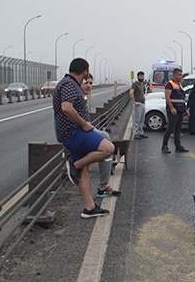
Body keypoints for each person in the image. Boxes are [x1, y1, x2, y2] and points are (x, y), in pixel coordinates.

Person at [53, 58, 115, 218]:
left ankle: (89, 208)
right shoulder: (70, 84)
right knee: (108, 148)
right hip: (75, 132)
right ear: (85, 71)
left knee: (84, 171)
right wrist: (84, 124)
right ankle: (75, 164)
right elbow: (66, 108)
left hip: (71, 132)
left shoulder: (67, 83)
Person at [81, 74, 122, 198]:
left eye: (91, 83)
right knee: (107, 146)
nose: (89, 86)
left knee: (105, 140)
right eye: (86, 83)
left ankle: (103, 186)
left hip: (85, 131)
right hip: (79, 134)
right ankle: (79, 164)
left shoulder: (82, 97)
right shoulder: (76, 97)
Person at [162, 68, 188, 154]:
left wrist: (185, 110)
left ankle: (178, 146)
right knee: (170, 128)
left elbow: (182, 99)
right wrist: (172, 108)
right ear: (174, 75)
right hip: (173, 111)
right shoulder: (170, 84)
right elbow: (167, 97)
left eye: (181, 75)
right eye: (179, 75)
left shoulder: (179, 85)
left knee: (178, 129)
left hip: (180, 111)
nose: (180, 76)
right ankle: (164, 146)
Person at [129, 71, 148, 140]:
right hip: (138, 104)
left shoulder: (141, 84)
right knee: (136, 120)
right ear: (138, 77)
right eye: (140, 76)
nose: (142, 78)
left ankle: (140, 133)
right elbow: (131, 92)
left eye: (143, 76)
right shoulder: (135, 84)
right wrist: (134, 102)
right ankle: (135, 134)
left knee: (141, 120)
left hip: (142, 104)